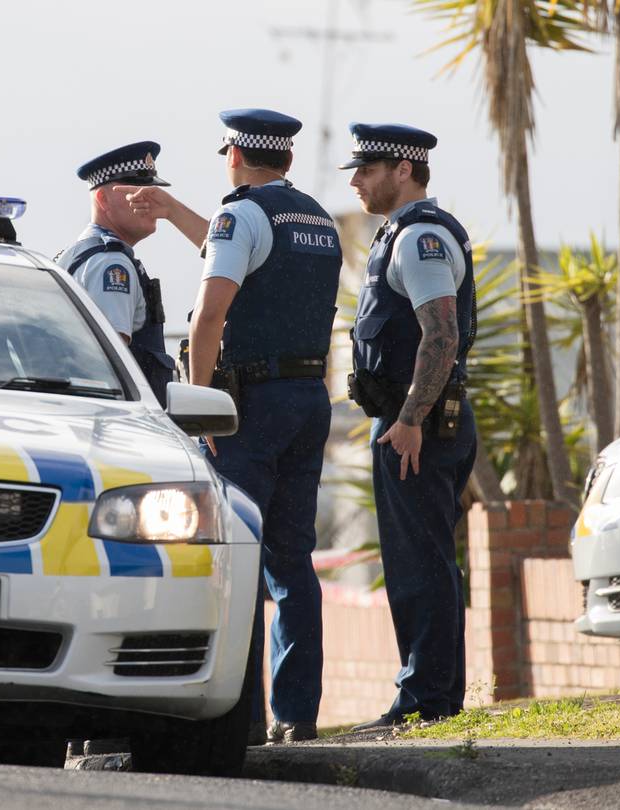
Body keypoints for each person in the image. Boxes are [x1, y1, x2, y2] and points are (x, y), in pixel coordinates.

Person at [121, 109, 343, 743]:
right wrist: (171, 209)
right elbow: (235, 247)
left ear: (235, 157)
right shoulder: (316, 220)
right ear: (288, 162)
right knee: (293, 561)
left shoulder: (239, 216)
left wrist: (202, 400)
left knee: (238, 556)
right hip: (308, 398)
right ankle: (297, 715)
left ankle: (240, 717)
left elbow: (210, 317)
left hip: (250, 409)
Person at [338, 123, 478, 729]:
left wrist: (412, 418)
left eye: (366, 170)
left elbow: (440, 332)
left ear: (403, 169)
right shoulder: (398, 233)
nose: (355, 181)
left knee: (421, 564)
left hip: (417, 423)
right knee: (417, 559)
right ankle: (432, 695)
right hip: (408, 419)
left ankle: (426, 700)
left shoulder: (419, 236)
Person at [56, 141, 176, 406]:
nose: (150, 199)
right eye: (135, 191)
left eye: (152, 190)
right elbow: (109, 365)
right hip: (121, 424)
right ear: (103, 199)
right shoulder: (111, 264)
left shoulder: (79, 255)